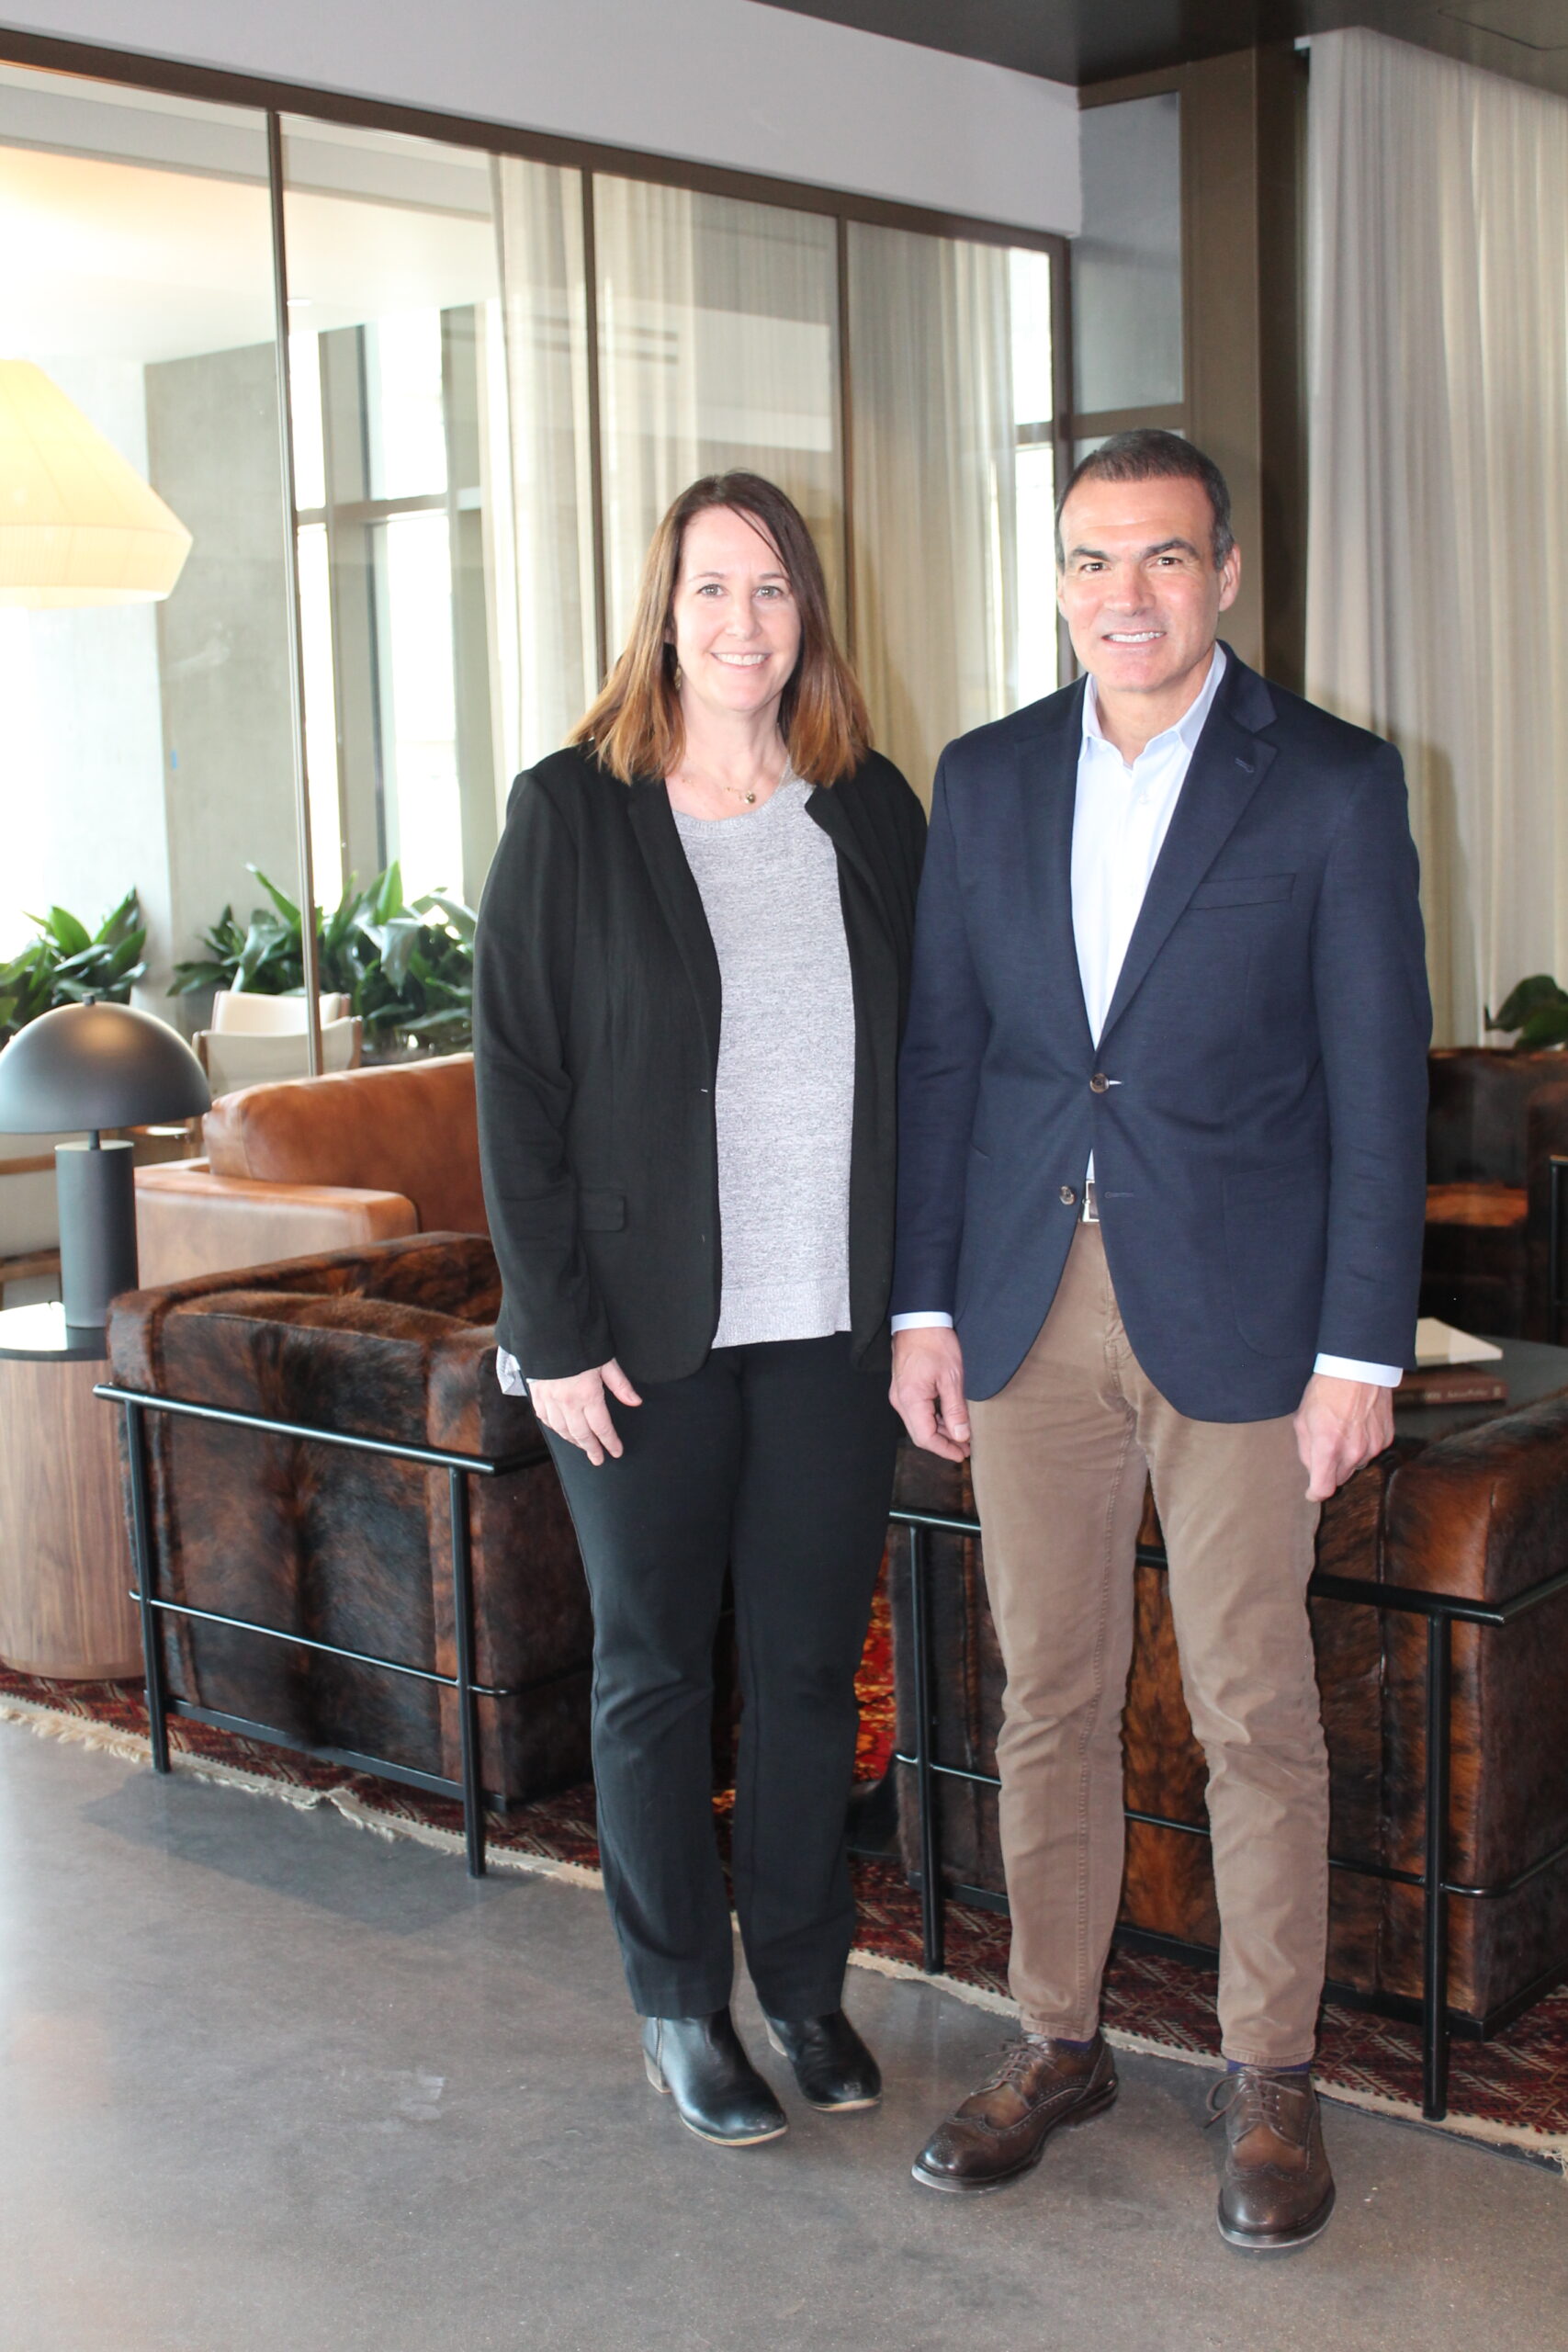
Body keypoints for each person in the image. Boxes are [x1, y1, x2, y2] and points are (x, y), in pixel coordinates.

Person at [889, 430, 1428, 2249]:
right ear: (1053, 578)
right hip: (1023, 1300)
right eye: (1087, 560)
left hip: (1248, 1315)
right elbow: (947, 1060)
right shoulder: (981, 780)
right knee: (1040, 1689)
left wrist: (1359, 1345)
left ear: (1221, 574)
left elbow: (1372, 1085)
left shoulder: (1332, 786)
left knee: (1247, 1704)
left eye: (1159, 558)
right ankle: (1057, 2038)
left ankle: (1265, 2071)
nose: (1121, 594)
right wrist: (920, 1305)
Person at [473, 471, 925, 2149]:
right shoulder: (572, 810)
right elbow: (517, 1090)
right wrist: (550, 1327)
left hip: (830, 1324)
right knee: (657, 1670)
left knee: (809, 1671)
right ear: (662, 609)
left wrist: (927, 1306)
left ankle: (804, 1985)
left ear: (810, 615)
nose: (744, 623)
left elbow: (929, 1067)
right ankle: (681, 2006)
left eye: (774, 592)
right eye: (713, 589)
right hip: (636, 1338)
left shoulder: (869, 807)